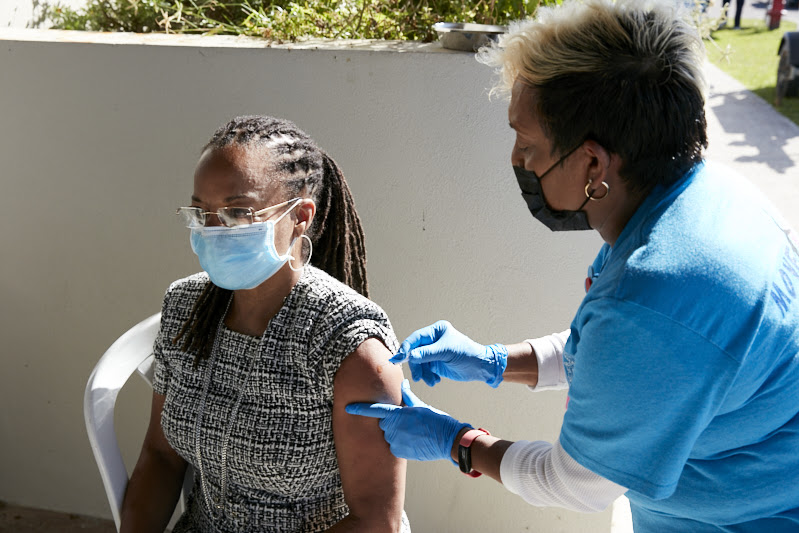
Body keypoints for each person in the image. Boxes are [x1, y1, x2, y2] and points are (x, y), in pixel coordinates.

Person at [346, 0, 799, 531]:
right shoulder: (696, 199)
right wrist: (495, 361)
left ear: (593, 163)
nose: (517, 159)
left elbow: (576, 481)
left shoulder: (659, 289)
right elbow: (620, 359)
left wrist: (458, 442)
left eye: (527, 142)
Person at [121, 115, 410, 533]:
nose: (215, 231)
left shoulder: (348, 344)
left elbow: (374, 521)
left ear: (301, 216)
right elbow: (161, 457)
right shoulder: (185, 308)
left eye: (238, 213)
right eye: (202, 213)